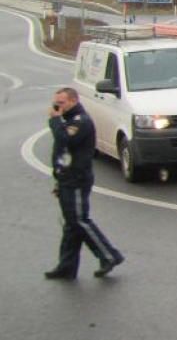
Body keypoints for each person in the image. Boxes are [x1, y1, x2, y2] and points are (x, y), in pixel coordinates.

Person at [44, 87, 124, 280]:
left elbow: (65, 140)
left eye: (61, 103)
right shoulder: (68, 121)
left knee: (79, 221)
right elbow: (62, 155)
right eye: (56, 103)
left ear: (73, 101)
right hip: (67, 179)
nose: (57, 106)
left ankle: (109, 255)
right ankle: (67, 266)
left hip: (77, 180)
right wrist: (58, 179)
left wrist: (54, 120)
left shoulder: (81, 121)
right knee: (71, 225)